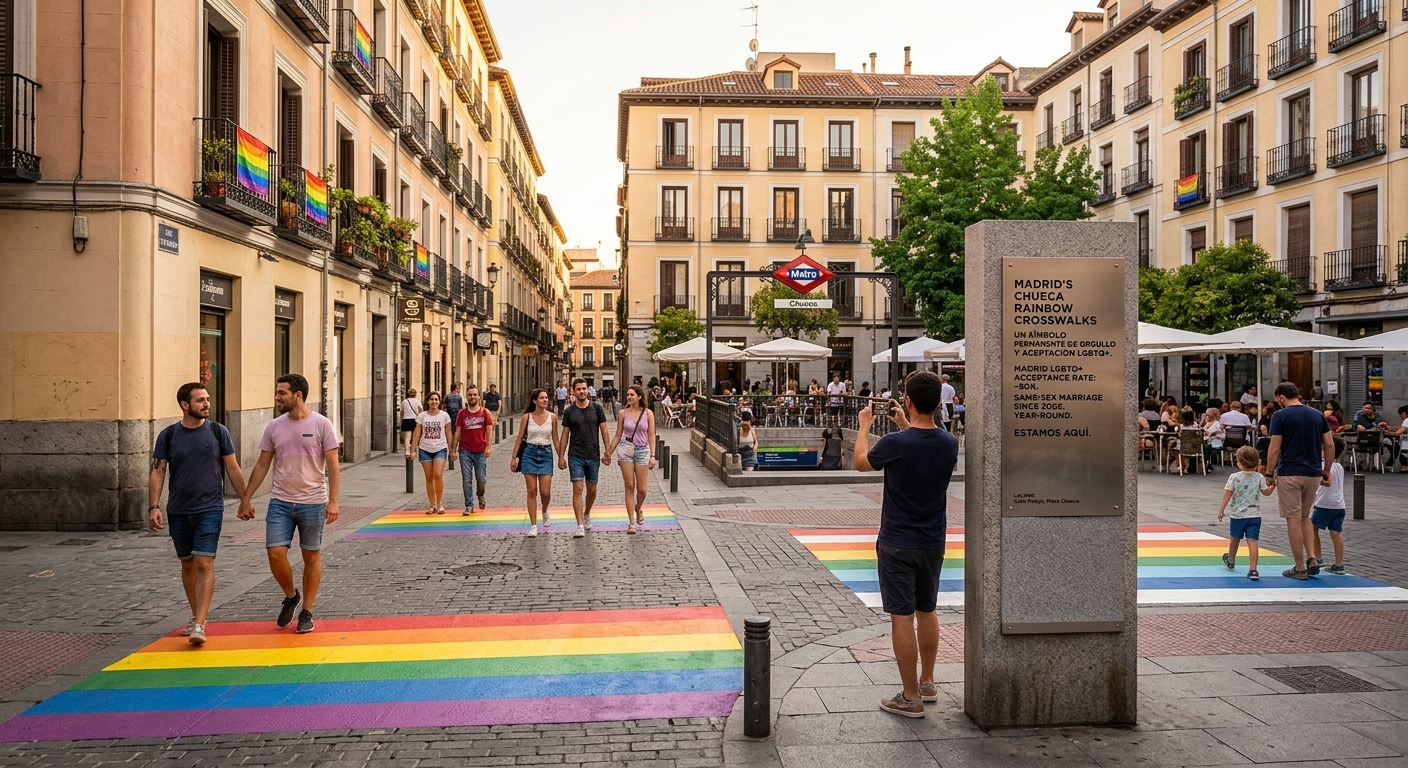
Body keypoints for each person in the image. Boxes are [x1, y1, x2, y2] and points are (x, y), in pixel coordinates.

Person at [853, 371, 959, 718]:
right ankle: (927, 682)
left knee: (901, 617)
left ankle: (909, 696)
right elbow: (922, 444)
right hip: (932, 540)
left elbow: (859, 464)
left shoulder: (894, 445)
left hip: (898, 540)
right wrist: (905, 424)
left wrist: (865, 426)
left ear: (908, 401)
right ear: (938, 402)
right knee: (927, 609)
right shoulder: (948, 443)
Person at [238, 373, 340, 635]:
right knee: (275, 553)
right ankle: (291, 595)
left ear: (298, 395)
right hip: (280, 501)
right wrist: (246, 497)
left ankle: (306, 610)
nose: (277, 397)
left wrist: (334, 501)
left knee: (311, 555)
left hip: (313, 502)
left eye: (281, 392)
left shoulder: (322, 424)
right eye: (277, 392)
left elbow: (332, 465)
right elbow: (262, 464)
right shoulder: (274, 426)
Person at [148, 382, 249, 646]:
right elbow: (158, 471)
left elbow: (233, 467)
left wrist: (245, 499)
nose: (206, 404)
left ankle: (201, 624)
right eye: (200, 400)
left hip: (210, 508)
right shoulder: (168, 435)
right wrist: (154, 506)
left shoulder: (218, 431)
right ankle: (195, 614)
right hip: (179, 510)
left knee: (204, 562)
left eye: (207, 399)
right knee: (187, 563)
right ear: (185, 405)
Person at [1265, 382, 1335, 581]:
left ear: (1281, 398)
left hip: (1290, 472)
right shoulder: (1318, 415)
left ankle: (1299, 567)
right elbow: (1329, 445)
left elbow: (1274, 448)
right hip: (1313, 472)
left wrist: (1269, 473)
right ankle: (1312, 558)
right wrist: (1326, 471)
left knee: (1293, 518)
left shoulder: (1280, 416)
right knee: (1305, 516)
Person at [558, 379, 611, 538]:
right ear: (573, 392)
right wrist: (561, 456)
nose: (582, 391)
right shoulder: (569, 412)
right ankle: (580, 524)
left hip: (593, 454)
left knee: (592, 489)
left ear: (588, 390)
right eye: (579, 389)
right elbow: (565, 434)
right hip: (575, 455)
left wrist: (608, 452)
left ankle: (587, 512)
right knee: (578, 488)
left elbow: (604, 431)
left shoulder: (596, 409)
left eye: (584, 389)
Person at [1216, 446, 1273, 581]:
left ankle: (1230, 560)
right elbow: (1266, 492)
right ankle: (1253, 570)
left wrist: (1221, 509)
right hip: (1254, 515)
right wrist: (1272, 487)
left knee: (1234, 539)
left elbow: (1228, 494)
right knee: (1253, 541)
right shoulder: (1259, 477)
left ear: (1239, 463)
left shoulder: (1234, 477)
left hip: (1237, 515)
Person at [607, 385, 656, 534]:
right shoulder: (623, 413)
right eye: (628, 395)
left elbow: (651, 435)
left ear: (640, 397)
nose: (629, 397)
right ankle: (631, 523)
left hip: (642, 450)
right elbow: (617, 435)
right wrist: (608, 452)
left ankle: (638, 507)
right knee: (629, 486)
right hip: (625, 449)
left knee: (642, 489)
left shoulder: (648, 414)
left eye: (632, 395)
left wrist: (653, 455)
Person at [510, 389, 559, 537]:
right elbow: (519, 438)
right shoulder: (527, 417)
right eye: (542, 398)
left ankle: (544, 510)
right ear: (534, 401)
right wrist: (514, 458)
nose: (545, 400)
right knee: (531, 490)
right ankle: (533, 525)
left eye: (546, 398)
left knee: (545, 492)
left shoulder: (553, 417)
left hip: (546, 453)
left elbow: (555, 438)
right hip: (529, 453)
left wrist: (561, 456)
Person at [407, 391, 452, 515]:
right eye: (431, 399)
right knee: (429, 477)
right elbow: (417, 433)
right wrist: (412, 450)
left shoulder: (444, 416)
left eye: (436, 399)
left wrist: (452, 449)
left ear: (439, 402)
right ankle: (432, 505)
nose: (434, 402)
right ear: (428, 401)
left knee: (438, 475)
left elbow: (448, 433)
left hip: (440, 448)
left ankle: (440, 503)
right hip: (425, 449)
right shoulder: (422, 416)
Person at [1310, 436, 1348, 576]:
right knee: (1336, 534)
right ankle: (1339, 565)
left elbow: (1323, 481)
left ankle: (1318, 558)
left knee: (1313, 529)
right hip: (1339, 505)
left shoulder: (1323, 466)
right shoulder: (1339, 467)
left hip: (1324, 504)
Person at [452, 384, 493, 513]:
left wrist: (488, 447)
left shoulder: (485, 412)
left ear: (479, 396)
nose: (472, 397)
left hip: (480, 450)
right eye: (470, 395)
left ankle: (480, 495)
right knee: (467, 479)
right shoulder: (462, 413)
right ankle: (469, 505)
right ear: (467, 397)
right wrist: (453, 449)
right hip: (465, 450)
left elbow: (489, 430)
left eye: (475, 394)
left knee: (481, 479)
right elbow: (458, 431)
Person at [1384, 405, 1408, 470]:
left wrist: (1386, 432)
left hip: (1405, 446)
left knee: (1395, 447)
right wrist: (1391, 428)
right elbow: (1403, 429)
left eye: (1400, 415)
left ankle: (1391, 464)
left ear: (1404, 414)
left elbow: (1397, 433)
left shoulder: (1406, 420)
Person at [400, 388, 423, 455]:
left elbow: (402, 412)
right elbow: (421, 410)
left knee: (407, 437)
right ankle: (414, 450)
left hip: (406, 419)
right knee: (415, 436)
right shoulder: (417, 401)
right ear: (415, 394)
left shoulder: (404, 401)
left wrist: (402, 419)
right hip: (415, 420)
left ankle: (407, 451)